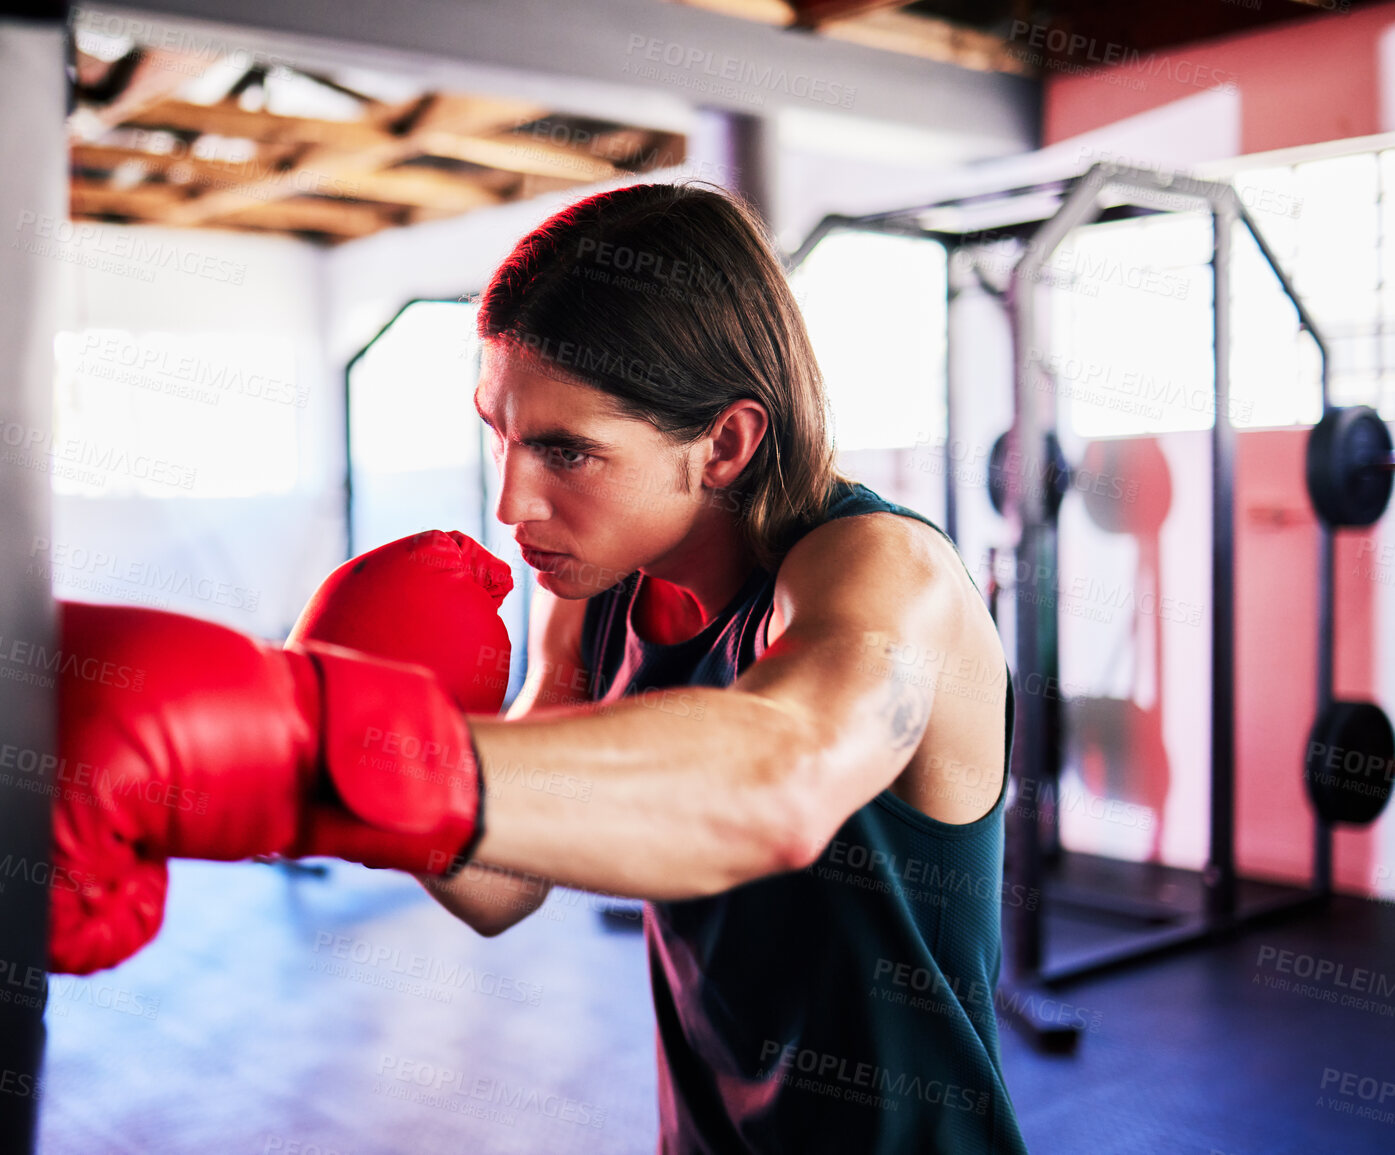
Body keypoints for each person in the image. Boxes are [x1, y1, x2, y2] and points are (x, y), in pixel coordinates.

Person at [50, 183, 1025, 1154]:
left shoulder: (887, 574)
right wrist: (367, 757)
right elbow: (504, 884)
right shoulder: (597, 590)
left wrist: (313, 733)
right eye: (502, 434)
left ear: (724, 444)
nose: (512, 502)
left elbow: (783, 779)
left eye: (567, 451)